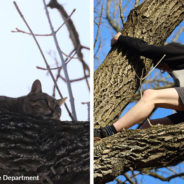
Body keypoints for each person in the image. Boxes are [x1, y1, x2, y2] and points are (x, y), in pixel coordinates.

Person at [94, 32, 184, 138]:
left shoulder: (177, 51)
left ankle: (108, 132)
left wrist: (121, 38)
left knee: (151, 96)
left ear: (165, 58)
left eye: (162, 66)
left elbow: (144, 49)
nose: (164, 70)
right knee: (148, 126)